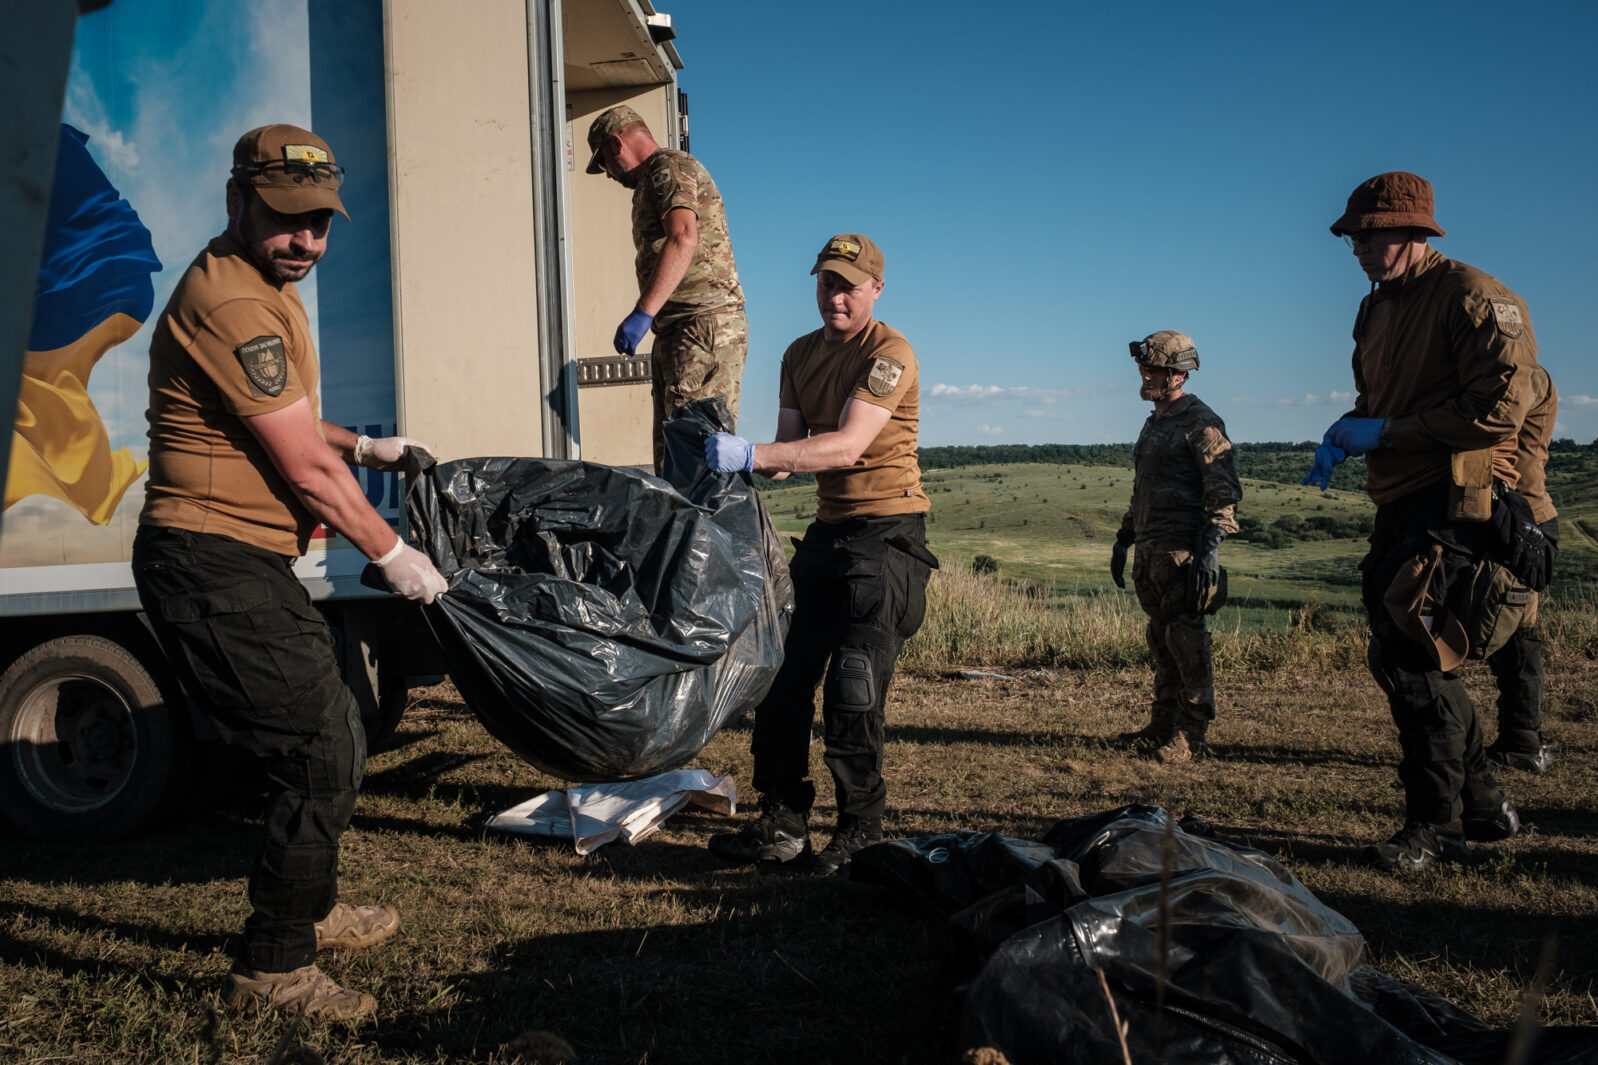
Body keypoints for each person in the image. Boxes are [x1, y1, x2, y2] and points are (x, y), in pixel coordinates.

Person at [131, 124, 448, 1020]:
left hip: (244, 555)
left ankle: (308, 905)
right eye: (286, 219)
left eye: (319, 223)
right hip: (209, 557)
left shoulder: (262, 284)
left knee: (336, 728)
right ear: (237, 201)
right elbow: (304, 469)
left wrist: (367, 442)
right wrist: (392, 554)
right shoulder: (231, 301)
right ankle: (272, 969)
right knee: (317, 752)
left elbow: (292, 428)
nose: (306, 240)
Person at [1304, 170, 1534, 872]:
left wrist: (1389, 431)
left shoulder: (1474, 298)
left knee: (1416, 660)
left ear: (1413, 231)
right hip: (1398, 500)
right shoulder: (1374, 310)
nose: (1359, 251)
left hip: (1454, 503)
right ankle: (1486, 804)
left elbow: (1499, 414)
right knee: (1400, 653)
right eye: (1353, 239)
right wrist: (1348, 429)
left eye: (1370, 237)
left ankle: (1435, 826)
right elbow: (1378, 397)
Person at [701, 233, 936, 876]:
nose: (835, 295)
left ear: (875, 289)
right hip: (830, 533)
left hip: (887, 534)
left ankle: (860, 831)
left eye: (849, 285)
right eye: (827, 282)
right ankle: (781, 823)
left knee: (853, 687)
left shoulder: (889, 352)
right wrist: (729, 457)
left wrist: (754, 455)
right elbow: (788, 451)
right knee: (780, 674)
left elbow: (846, 447)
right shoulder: (797, 354)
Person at [585, 105, 747, 472]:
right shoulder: (649, 182)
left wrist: (643, 313)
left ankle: (711, 531)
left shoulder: (667, 167)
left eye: (604, 163)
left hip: (702, 325)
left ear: (616, 143)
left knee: (698, 457)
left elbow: (683, 236)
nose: (608, 174)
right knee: (672, 457)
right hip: (678, 329)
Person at [1109, 332, 1240, 765]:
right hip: (1151, 551)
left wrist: (1210, 547)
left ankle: (1192, 734)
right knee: (1161, 641)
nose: (1146, 377)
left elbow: (1223, 491)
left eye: (1155, 371)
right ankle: (1162, 724)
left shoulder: (1202, 422)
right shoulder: (1155, 421)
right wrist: (1125, 536)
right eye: (1144, 370)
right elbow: (1142, 486)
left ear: (1179, 374)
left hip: (1184, 553)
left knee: (1187, 642)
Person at [1485, 365, 1558, 774]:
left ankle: (1523, 738)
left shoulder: (1523, 379)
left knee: (1518, 631)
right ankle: (1521, 735)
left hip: (1521, 517)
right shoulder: (1524, 377)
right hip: (1519, 514)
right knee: (1510, 629)